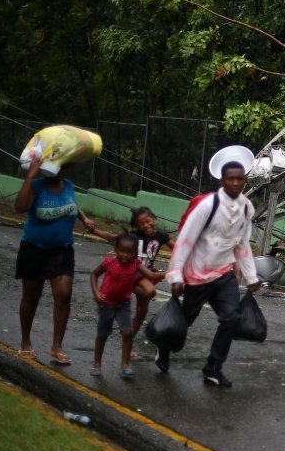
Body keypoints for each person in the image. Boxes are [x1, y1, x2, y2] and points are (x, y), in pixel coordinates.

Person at [159, 160, 260, 387]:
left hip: (224, 273)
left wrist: (251, 276)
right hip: (198, 274)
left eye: (240, 179)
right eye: (230, 179)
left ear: (244, 181)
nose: (235, 183)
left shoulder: (246, 207)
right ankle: (164, 348)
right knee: (185, 320)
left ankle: (213, 367)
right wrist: (175, 275)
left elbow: (243, 244)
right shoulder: (208, 206)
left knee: (231, 319)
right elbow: (186, 239)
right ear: (222, 181)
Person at [14, 156, 95, 364]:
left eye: (67, 166)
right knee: (31, 297)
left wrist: (84, 218)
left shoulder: (67, 185)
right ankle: (25, 342)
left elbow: (72, 204)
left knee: (64, 295)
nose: (65, 170)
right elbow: (20, 207)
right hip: (34, 249)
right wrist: (30, 175)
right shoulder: (36, 186)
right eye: (62, 166)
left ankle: (56, 346)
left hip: (63, 249)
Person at [87, 207, 175, 352]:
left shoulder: (161, 236)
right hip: (131, 273)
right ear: (136, 226)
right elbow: (112, 237)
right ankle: (122, 307)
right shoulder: (134, 237)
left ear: (154, 218)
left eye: (148, 221)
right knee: (149, 291)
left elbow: (177, 248)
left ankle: (129, 341)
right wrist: (95, 231)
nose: (145, 225)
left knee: (142, 311)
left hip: (146, 274)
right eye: (141, 224)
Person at [89, 233, 164, 377]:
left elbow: (152, 276)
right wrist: (96, 292)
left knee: (128, 332)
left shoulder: (136, 264)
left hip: (123, 304)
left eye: (130, 252)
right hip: (106, 303)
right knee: (102, 334)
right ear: (116, 250)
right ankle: (97, 363)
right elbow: (94, 274)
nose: (125, 255)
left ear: (135, 253)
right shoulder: (109, 262)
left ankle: (124, 365)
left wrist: (169, 273)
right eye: (122, 251)